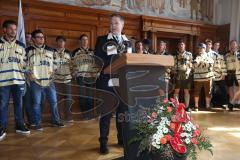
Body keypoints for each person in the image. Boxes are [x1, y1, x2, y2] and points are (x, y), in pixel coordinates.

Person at [95, 13, 132, 154]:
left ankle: (121, 138)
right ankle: (103, 141)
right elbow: (98, 60)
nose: (113, 26)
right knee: (106, 114)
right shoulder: (102, 40)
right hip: (107, 82)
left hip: (123, 84)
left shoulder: (128, 42)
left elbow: (131, 60)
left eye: (116, 23)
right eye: (111, 23)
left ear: (122, 25)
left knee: (122, 113)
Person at [26, 29, 64, 131]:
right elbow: (23, 64)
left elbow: (56, 63)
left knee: (54, 101)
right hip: (36, 81)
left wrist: (55, 70)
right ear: (33, 39)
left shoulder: (50, 50)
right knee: (37, 103)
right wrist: (27, 73)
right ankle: (37, 123)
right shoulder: (28, 50)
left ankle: (56, 121)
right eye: (39, 37)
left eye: (42, 37)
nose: (41, 39)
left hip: (49, 81)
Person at [0, 20, 30, 141]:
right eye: (11, 29)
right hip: (3, 81)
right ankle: (2, 127)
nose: (13, 31)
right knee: (3, 104)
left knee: (19, 103)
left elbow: (24, 63)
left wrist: (28, 71)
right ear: (4, 30)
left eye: (15, 29)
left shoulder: (21, 45)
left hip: (18, 80)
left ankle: (19, 125)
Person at [72, 34, 96, 114]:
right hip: (80, 77)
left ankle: (90, 113)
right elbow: (72, 64)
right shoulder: (76, 52)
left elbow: (95, 64)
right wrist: (75, 73)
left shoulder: (92, 52)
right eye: (83, 39)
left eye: (86, 39)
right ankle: (84, 113)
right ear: (80, 41)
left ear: (88, 41)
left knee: (90, 96)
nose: (85, 41)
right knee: (82, 96)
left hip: (90, 77)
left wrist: (95, 74)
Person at [54, 36, 73, 122]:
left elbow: (72, 65)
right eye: (59, 41)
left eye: (63, 41)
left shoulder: (69, 53)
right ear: (56, 42)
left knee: (68, 98)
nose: (61, 43)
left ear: (65, 43)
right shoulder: (52, 52)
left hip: (67, 79)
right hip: (56, 80)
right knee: (56, 99)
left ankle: (68, 116)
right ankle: (57, 117)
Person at [193, 43, 214, 111]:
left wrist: (201, 63)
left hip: (207, 77)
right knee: (196, 91)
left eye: (201, 48)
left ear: (204, 49)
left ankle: (207, 105)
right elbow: (194, 66)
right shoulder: (195, 56)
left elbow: (210, 65)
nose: (200, 49)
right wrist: (202, 64)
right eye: (199, 48)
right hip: (198, 77)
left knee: (208, 92)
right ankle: (196, 106)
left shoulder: (209, 56)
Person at [173, 41, 193, 111]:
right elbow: (172, 65)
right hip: (177, 74)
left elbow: (191, 64)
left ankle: (187, 107)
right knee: (176, 91)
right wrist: (174, 71)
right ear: (178, 46)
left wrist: (189, 71)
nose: (181, 46)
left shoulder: (189, 54)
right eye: (180, 45)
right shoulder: (174, 54)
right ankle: (176, 107)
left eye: (182, 44)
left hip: (186, 74)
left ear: (184, 46)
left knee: (186, 90)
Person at [210, 41, 228, 108]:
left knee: (223, 89)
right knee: (211, 90)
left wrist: (223, 74)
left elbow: (223, 65)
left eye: (218, 45)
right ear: (213, 46)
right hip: (211, 75)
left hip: (220, 75)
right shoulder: (209, 54)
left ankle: (224, 103)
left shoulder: (221, 55)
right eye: (215, 45)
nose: (216, 46)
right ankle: (211, 103)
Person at [225, 40, 240, 110]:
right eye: (232, 44)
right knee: (230, 87)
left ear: (237, 45)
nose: (233, 46)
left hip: (237, 72)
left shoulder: (239, 54)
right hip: (229, 72)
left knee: (238, 87)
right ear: (230, 46)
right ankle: (231, 102)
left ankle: (237, 102)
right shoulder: (226, 55)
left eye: (234, 44)